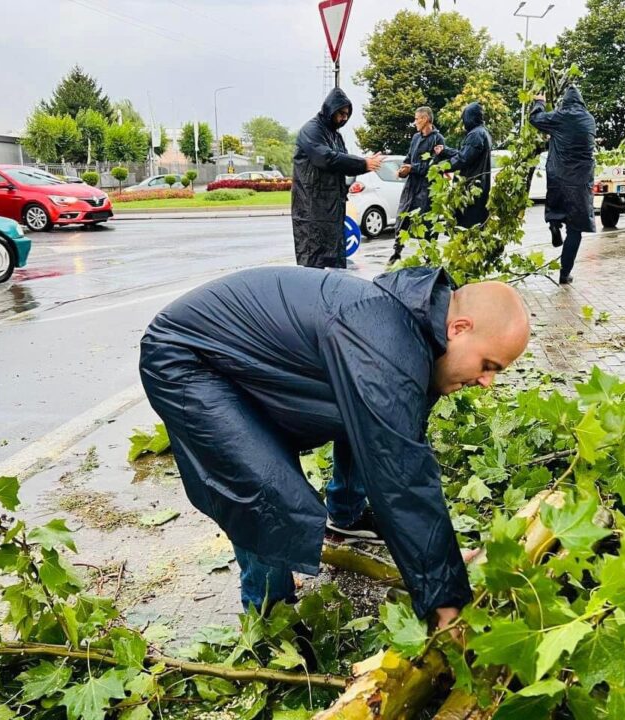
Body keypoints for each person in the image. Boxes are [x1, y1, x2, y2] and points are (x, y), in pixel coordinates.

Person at [139, 266, 530, 627]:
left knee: (376, 423)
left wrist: (440, 563)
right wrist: (445, 596)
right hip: (187, 358)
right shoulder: (385, 344)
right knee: (265, 489)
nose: (486, 382)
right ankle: (271, 619)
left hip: (244, 362)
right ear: (459, 328)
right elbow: (401, 478)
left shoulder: (416, 336)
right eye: (489, 365)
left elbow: (400, 445)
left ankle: (346, 515)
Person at [292, 88, 382, 268]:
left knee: (333, 261)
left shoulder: (335, 136)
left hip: (332, 208)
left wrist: (364, 164)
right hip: (312, 208)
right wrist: (362, 163)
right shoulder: (312, 130)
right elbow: (326, 158)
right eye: (341, 113)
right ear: (330, 109)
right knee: (314, 261)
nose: (344, 118)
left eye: (347, 114)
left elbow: (343, 163)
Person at [529, 86, 597, 285]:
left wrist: (539, 102)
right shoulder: (589, 119)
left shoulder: (559, 117)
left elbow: (535, 119)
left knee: (556, 209)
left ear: (564, 102)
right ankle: (564, 274)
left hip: (558, 177)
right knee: (575, 230)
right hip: (580, 182)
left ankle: (553, 223)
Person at [389, 106, 445, 265]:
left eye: (417, 119)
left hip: (427, 188)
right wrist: (403, 170)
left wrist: (413, 168)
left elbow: (434, 166)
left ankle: (429, 258)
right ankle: (396, 253)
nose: (415, 122)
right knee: (403, 218)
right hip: (411, 186)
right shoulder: (415, 138)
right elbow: (408, 158)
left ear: (426, 119)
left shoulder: (438, 139)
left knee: (426, 223)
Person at [434, 102, 493, 229]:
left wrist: (442, 167)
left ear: (469, 117)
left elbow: (463, 158)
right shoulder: (483, 132)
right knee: (476, 228)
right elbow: (467, 153)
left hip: (470, 187)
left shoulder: (475, 134)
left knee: (467, 227)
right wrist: (445, 151)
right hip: (479, 186)